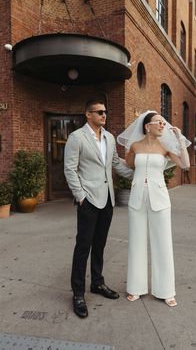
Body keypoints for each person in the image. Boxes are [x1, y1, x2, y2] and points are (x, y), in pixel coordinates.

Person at [64, 99, 133, 318]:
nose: (104, 115)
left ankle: (97, 283)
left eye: (106, 112)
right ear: (88, 114)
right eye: (100, 112)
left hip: (107, 200)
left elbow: (115, 164)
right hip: (89, 201)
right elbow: (70, 169)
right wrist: (81, 196)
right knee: (83, 247)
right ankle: (77, 293)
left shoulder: (110, 137)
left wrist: (140, 176)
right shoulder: (77, 137)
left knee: (100, 245)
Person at [117, 110, 191, 306]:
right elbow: (128, 165)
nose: (162, 125)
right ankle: (135, 288)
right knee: (136, 242)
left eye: (163, 123)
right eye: (158, 122)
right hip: (137, 198)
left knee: (163, 243)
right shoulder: (135, 146)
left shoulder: (166, 147)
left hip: (160, 199)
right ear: (147, 126)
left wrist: (179, 140)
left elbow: (185, 165)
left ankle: (166, 291)